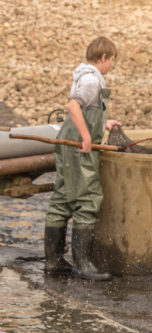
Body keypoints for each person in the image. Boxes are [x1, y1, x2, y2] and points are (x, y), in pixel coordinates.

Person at [44, 37, 121, 281]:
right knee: (88, 198)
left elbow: (87, 111)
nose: (111, 66)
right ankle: (83, 264)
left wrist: (104, 123)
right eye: (111, 61)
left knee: (63, 196)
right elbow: (73, 106)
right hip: (79, 148)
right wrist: (88, 136)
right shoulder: (91, 80)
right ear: (104, 58)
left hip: (69, 144)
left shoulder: (83, 75)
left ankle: (53, 262)